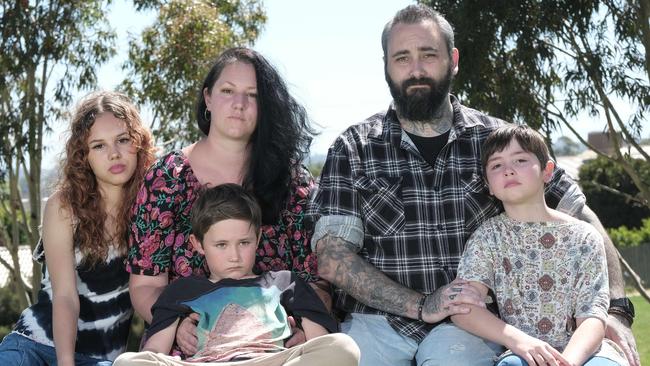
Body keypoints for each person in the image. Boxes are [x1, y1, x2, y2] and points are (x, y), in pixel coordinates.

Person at [309, 4, 638, 366]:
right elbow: (333, 258)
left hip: (471, 327)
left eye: (428, 55)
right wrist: (421, 305)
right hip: (377, 325)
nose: (416, 69)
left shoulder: (499, 144)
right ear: (386, 64)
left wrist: (617, 312)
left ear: (452, 59)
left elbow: (581, 216)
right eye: (401, 58)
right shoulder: (353, 147)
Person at [127, 47, 326, 356]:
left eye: (253, 95)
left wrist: (301, 330)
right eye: (228, 90)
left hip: (276, 344)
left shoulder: (291, 182)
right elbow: (146, 285)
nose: (239, 104)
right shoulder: (166, 179)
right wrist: (178, 325)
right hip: (192, 344)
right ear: (208, 98)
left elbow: (316, 281)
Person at [114, 184, 359, 366]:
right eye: (221, 245)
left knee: (344, 347)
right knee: (127, 362)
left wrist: (302, 341)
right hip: (207, 363)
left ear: (258, 239)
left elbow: (319, 342)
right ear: (197, 244)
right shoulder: (181, 291)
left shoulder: (285, 283)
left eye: (243, 242)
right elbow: (155, 350)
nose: (234, 256)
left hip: (271, 361)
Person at [0, 91, 156, 365]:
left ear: (139, 144)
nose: (114, 154)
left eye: (123, 140)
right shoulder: (65, 206)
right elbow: (65, 296)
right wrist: (65, 362)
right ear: (84, 156)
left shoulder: (153, 206)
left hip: (102, 359)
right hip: (35, 346)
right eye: (99, 146)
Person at [452, 125, 628, 366]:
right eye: (496, 165)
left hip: (586, 352)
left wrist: (567, 362)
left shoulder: (584, 236)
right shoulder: (487, 237)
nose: (508, 170)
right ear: (488, 185)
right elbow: (464, 309)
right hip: (523, 350)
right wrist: (519, 341)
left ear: (547, 171)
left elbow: (593, 318)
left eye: (520, 160)